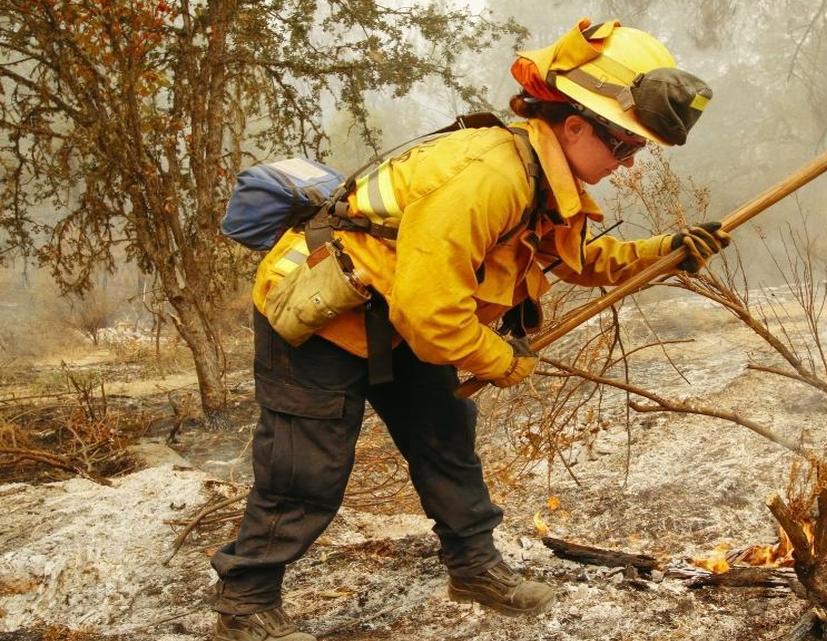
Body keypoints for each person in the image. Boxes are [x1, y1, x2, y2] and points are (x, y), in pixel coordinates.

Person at [208, 18, 729, 641]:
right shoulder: (489, 176)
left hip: (402, 318)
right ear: (574, 125)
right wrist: (503, 360)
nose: (627, 162)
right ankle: (245, 604)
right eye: (623, 146)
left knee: (445, 439)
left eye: (637, 151)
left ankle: (475, 568)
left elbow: (581, 260)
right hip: (322, 316)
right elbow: (433, 317)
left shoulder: (544, 179)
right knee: (305, 469)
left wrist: (666, 250)